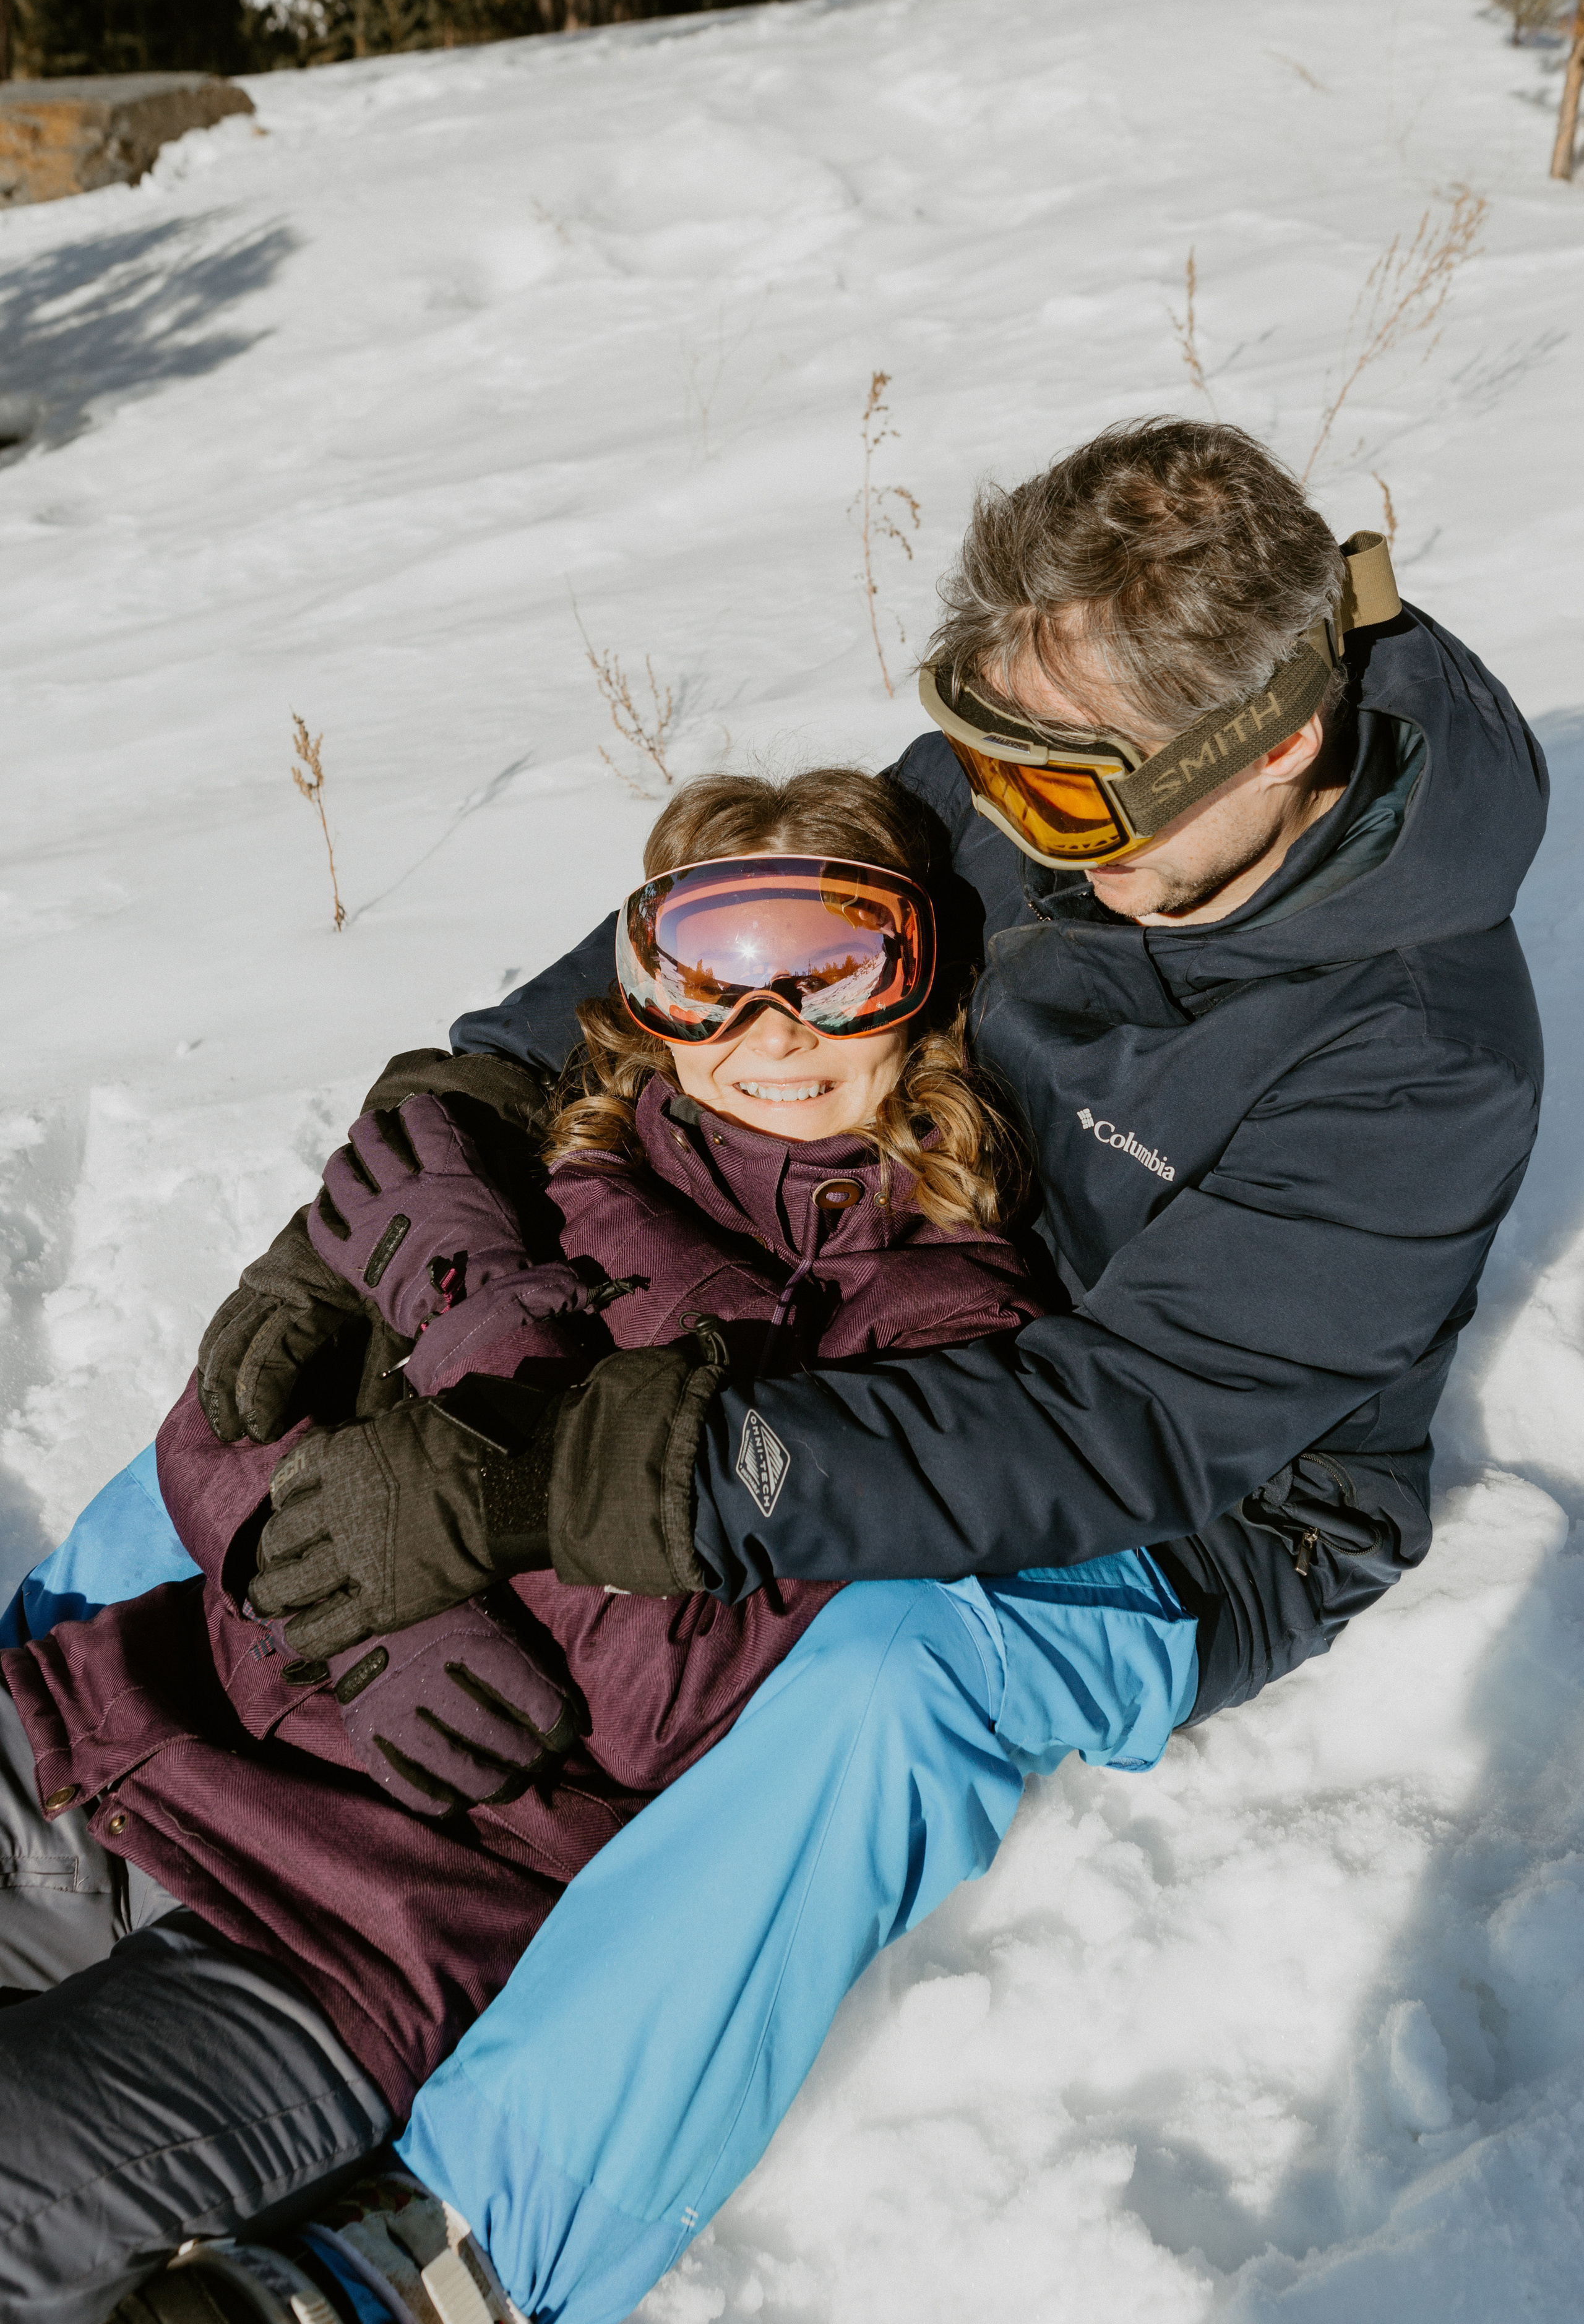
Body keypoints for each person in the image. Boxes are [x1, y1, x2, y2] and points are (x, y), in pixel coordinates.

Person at [3, 418, 1546, 2324]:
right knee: (311, 1386)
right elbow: (654, 975)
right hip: (848, 1231)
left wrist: (575, 1474)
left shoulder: (1418, 1054)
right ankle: (66, 1726)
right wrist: (402, 1181)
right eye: (982, 763)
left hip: (1189, 1485)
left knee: (891, 1680)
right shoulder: (1043, 756)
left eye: (1065, 810)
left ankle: (450, 2239)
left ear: (1279, 750)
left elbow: (1120, 1422)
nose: (1002, 826)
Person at [0, 771, 1199, 2324]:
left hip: (346, 1928)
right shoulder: (527, 1170)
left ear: (926, 992)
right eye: (709, 968)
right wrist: (375, 1619)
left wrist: (480, 1335)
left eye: (833, 967)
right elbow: (217, 1431)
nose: (769, 1030)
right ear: (645, 988)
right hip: (114, 1737)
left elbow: (654, 1700)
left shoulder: (936, 1330)